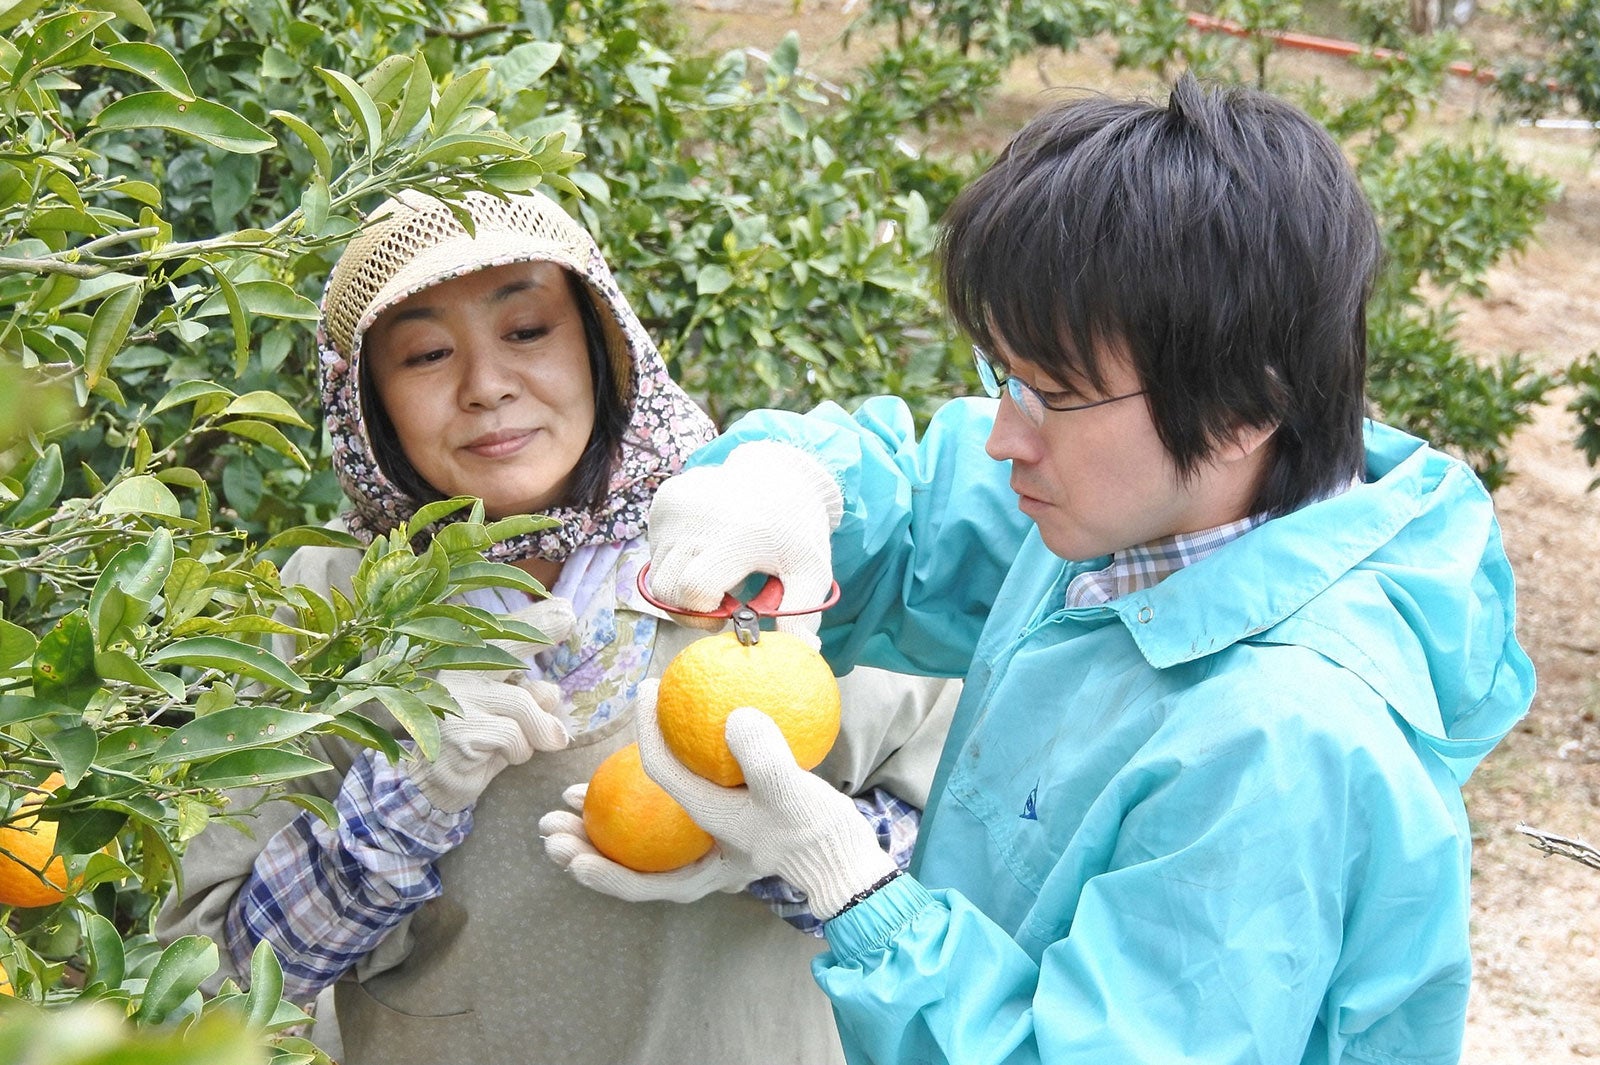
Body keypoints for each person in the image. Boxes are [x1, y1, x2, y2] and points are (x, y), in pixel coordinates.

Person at [600, 76, 1536, 1064]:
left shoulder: (1278, 746)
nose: (1005, 435)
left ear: (1238, 407)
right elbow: (923, 507)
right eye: (1004, 375)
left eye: (1051, 393)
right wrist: (791, 482)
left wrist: (853, 891)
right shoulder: (1141, 517)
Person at [155, 188, 959, 1065]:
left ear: (603, 347)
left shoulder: (765, 546)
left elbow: (966, 879)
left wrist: (789, 844)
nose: (487, 385)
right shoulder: (327, 607)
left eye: (528, 330)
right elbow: (206, 989)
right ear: (368, 407)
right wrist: (403, 800)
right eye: (426, 353)